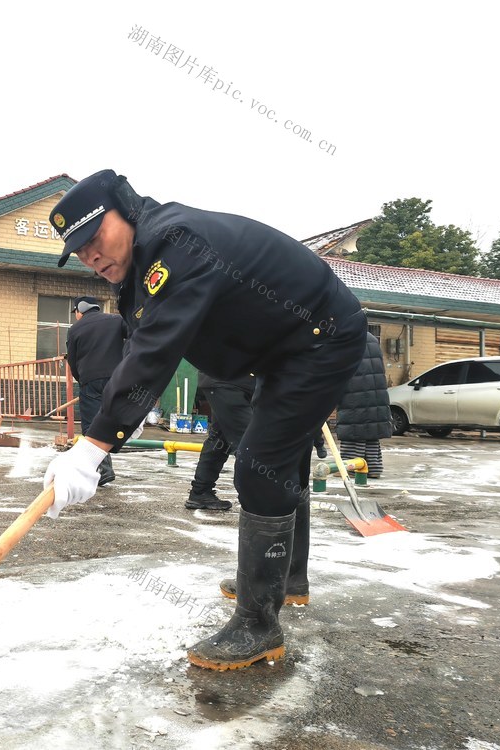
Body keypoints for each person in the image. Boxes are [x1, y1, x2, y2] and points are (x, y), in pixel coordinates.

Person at [41, 169, 367, 671]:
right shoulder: (139, 268)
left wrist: (92, 448)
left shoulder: (174, 243)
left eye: (94, 238)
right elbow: (138, 350)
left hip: (322, 338)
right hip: (281, 351)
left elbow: (153, 356)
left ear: (124, 212)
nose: (91, 256)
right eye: (79, 251)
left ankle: (259, 624)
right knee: (281, 459)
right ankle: (287, 579)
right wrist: (104, 431)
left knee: (259, 462)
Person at [65, 296, 128, 486]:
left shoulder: (75, 329)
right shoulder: (117, 320)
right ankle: (107, 457)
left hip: (90, 381)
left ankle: (104, 468)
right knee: (113, 418)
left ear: (80, 310)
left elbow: (73, 362)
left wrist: (82, 380)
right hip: (117, 378)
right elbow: (135, 337)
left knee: (92, 426)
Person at [186, 372, 256, 511]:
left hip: (228, 382)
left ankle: (200, 492)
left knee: (219, 439)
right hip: (228, 383)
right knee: (250, 443)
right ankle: (256, 500)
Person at [334, 332, 392, 478]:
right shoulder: (372, 338)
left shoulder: (345, 336)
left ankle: (351, 468)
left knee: (354, 432)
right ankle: (373, 468)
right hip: (376, 393)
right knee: (371, 433)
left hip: (353, 392)